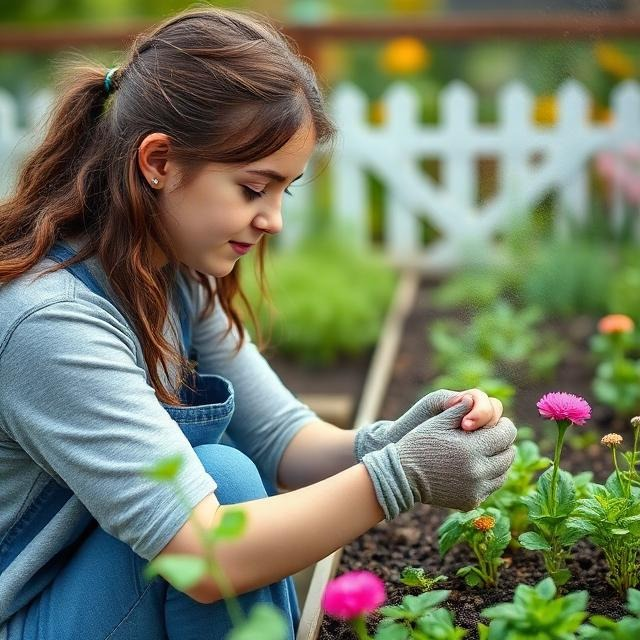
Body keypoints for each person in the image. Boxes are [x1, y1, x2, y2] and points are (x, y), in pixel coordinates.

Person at [0, 7, 517, 640]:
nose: (272, 219)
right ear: (158, 161)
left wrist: (391, 442)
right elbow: (201, 556)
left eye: (284, 192)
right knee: (226, 482)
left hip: (87, 591)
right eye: (253, 188)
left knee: (233, 471)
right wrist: (401, 475)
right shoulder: (51, 322)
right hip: (28, 617)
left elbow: (282, 438)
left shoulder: (171, 274)